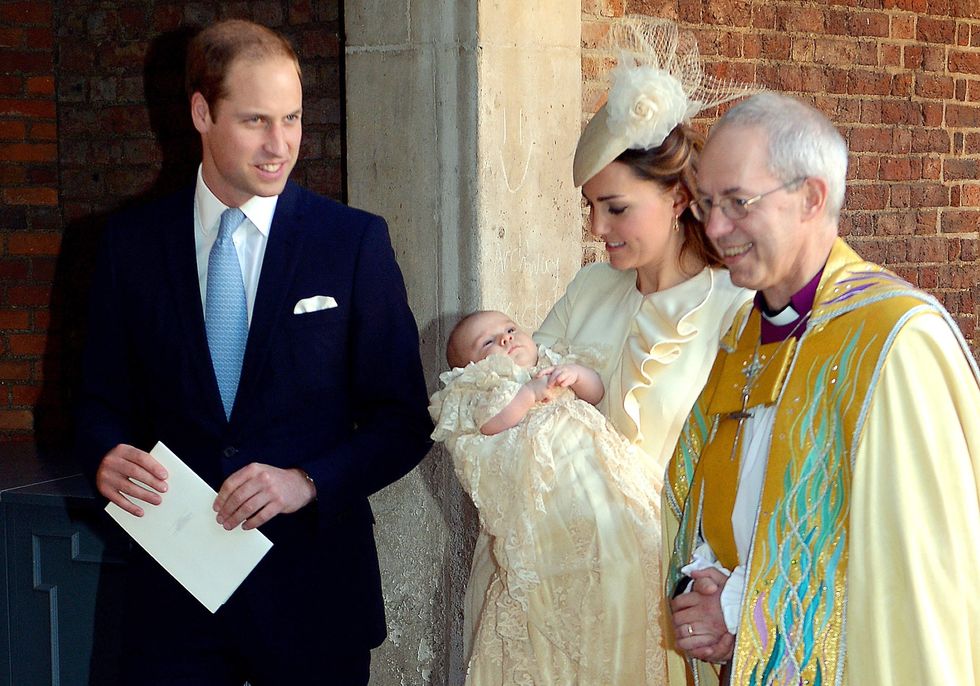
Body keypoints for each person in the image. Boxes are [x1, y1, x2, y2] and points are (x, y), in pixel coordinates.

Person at [75, 19, 433, 685]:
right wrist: (105, 454)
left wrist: (307, 481)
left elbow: (405, 421)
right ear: (201, 113)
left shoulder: (352, 243)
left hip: (313, 601)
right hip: (172, 605)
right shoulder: (129, 245)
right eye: (255, 121)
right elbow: (97, 401)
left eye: (292, 118)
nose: (280, 144)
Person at [663, 91, 980, 686]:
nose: (715, 228)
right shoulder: (742, 335)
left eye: (738, 202)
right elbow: (702, 494)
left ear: (811, 197)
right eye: (706, 203)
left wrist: (741, 607)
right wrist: (707, 588)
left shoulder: (895, 341)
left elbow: (912, 571)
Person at [525, 17, 755, 680]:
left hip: (668, 608)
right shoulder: (589, 289)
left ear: (679, 197)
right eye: (590, 208)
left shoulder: (737, 309)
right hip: (564, 595)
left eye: (616, 207)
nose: (597, 227)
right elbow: (522, 408)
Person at [429, 310, 664, 684]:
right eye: (488, 342)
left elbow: (596, 392)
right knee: (558, 566)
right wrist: (528, 395)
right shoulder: (484, 387)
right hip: (549, 492)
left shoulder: (551, 362)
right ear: (470, 366)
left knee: (628, 537)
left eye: (510, 329)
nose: (506, 339)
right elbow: (490, 423)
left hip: (597, 475)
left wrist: (577, 375)